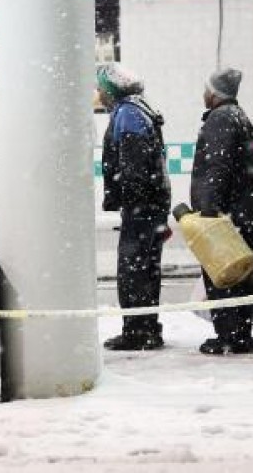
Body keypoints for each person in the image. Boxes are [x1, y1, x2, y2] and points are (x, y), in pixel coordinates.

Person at [97, 63, 171, 351]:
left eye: (101, 88)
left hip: (142, 210)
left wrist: (131, 204)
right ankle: (147, 328)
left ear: (111, 89)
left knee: (134, 273)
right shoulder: (139, 109)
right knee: (146, 271)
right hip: (151, 208)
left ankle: (138, 332)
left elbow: (135, 169)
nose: (99, 94)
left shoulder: (128, 115)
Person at [190, 67, 253, 355]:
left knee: (223, 277)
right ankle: (240, 332)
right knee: (240, 277)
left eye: (206, 89)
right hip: (243, 212)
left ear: (215, 93)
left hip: (226, 217)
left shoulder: (221, 119)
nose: (203, 94)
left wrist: (209, 210)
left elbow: (218, 169)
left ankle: (229, 335)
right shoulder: (239, 117)